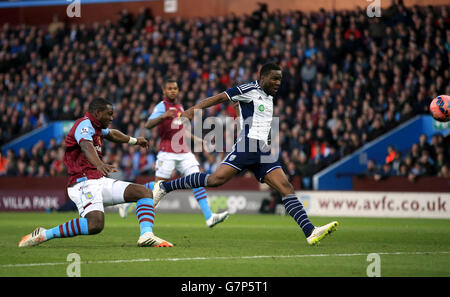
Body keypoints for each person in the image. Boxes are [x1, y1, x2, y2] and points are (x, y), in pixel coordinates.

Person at [152, 63, 339, 246]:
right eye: (274, 78)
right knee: (216, 180)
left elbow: (249, 114)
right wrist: (193, 110)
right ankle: (165, 188)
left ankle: (310, 231)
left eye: (280, 80)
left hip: (262, 151)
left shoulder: (269, 97)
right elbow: (220, 98)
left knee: (286, 187)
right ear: (263, 77)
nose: (277, 83)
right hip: (246, 147)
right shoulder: (249, 88)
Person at [18, 98, 172, 248]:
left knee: (144, 192)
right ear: (97, 113)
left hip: (98, 180)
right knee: (95, 225)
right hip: (82, 183)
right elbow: (86, 146)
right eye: (109, 114)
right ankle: (45, 234)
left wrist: (134, 141)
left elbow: (112, 134)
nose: (112, 117)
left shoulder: (96, 126)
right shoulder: (83, 124)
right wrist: (99, 164)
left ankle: (146, 236)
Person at [119, 79, 229, 227]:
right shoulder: (161, 106)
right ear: (164, 91)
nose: (172, 91)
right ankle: (128, 198)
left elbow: (182, 130)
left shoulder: (179, 106)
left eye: (175, 88)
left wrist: (199, 140)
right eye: (169, 88)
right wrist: (163, 116)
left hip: (183, 151)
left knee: (195, 178)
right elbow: (148, 124)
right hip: (167, 151)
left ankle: (209, 217)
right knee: (159, 186)